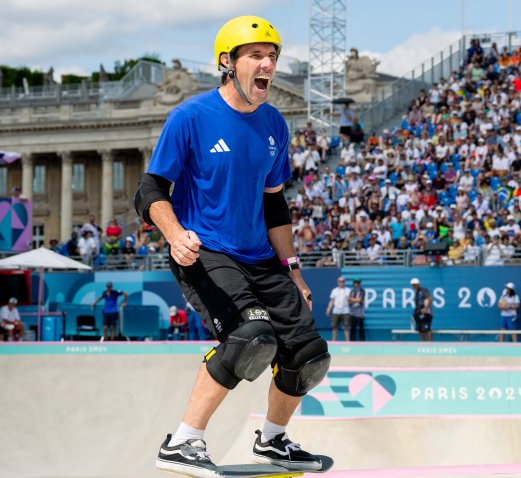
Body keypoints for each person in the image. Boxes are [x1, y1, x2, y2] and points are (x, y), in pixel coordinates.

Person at [136, 16, 329, 475]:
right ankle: (184, 441)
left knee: (308, 355)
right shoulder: (191, 117)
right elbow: (150, 190)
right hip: (206, 250)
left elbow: (275, 205)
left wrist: (294, 270)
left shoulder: (274, 125)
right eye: (257, 56)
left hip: (261, 256)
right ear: (228, 62)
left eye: (273, 56)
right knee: (250, 338)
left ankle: (274, 441)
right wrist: (175, 234)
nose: (268, 65)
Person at [325, 277, 351, 341]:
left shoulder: (348, 290)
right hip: (336, 311)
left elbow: (350, 301)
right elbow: (332, 301)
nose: (341, 283)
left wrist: (349, 300)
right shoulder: (334, 290)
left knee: (346, 327)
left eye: (342, 281)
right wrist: (328, 309)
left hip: (345, 311)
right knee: (334, 327)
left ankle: (348, 341)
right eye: (340, 281)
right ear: (338, 282)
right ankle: (334, 341)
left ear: (344, 282)